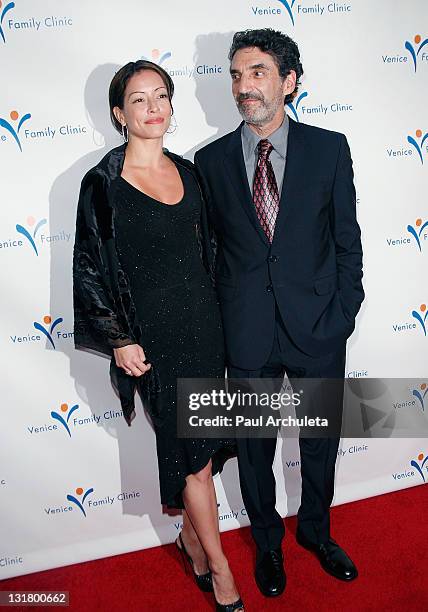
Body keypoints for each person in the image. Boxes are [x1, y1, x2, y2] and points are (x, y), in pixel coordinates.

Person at [194, 29, 364, 598]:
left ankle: (316, 531)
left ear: (289, 82)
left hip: (318, 327)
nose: (245, 86)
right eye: (237, 75)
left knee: (319, 441)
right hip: (247, 333)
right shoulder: (210, 161)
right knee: (254, 449)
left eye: (258, 72)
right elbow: (212, 252)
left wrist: (344, 313)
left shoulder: (329, 148)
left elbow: (347, 240)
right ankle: (267, 543)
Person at [73, 60, 243, 612]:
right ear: (119, 114)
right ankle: (220, 570)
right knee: (191, 458)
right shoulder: (101, 183)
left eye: (162, 96)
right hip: (153, 344)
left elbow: (211, 255)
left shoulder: (191, 172)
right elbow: (89, 268)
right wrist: (118, 338)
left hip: (206, 330)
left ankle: (191, 538)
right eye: (140, 100)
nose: (154, 109)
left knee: (208, 449)